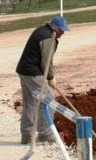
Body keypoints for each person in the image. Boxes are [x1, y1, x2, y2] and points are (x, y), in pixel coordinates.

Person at [16, 16, 70, 144]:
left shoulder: (41, 31)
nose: (62, 33)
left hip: (24, 71)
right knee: (48, 101)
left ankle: (27, 135)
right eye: (61, 30)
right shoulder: (48, 37)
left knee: (30, 103)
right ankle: (45, 134)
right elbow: (46, 61)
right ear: (53, 26)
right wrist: (51, 77)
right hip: (33, 72)